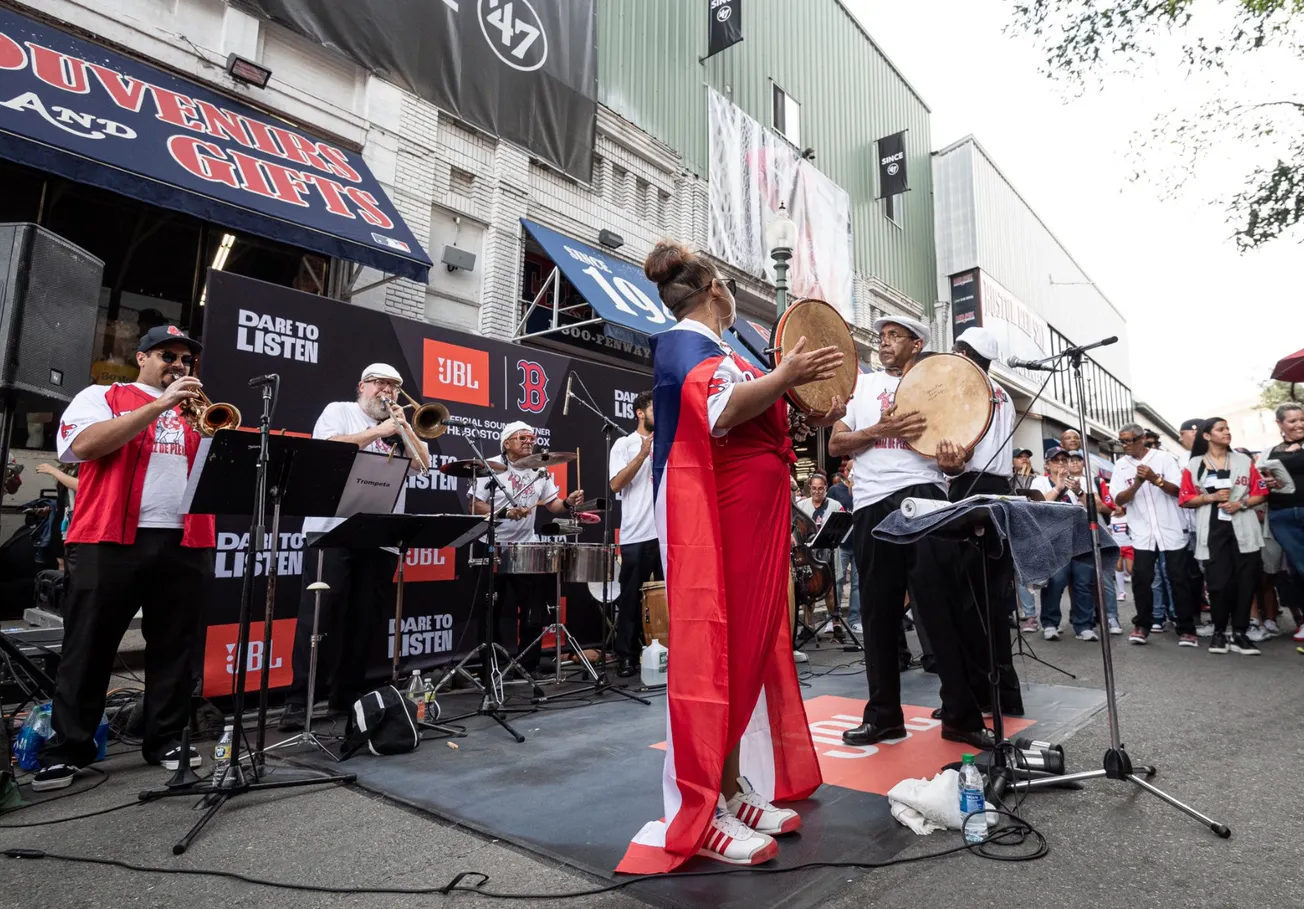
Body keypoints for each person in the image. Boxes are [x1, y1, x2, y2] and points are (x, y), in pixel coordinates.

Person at [617, 241, 833, 872]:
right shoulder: (685, 343)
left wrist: (802, 404)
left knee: (743, 654)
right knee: (716, 659)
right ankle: (699, 806)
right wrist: (785, 377)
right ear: (717, 291)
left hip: (750, 519)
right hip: (718, 521)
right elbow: (717, 416)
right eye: (732, 289)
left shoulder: (721, 351)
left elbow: (749, 415)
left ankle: (732, 790)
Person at [34, 325, 215, 791]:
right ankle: (68, 748)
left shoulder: (200, 409)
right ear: (141, 357)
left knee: (174, 646)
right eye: (166, 355)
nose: (178, 364)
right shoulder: (102, 395)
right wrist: (159, 404)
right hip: (108, 539)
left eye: (185, 359)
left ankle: (167, 738)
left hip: (184, 539)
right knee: (89, 645)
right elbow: (83, 447)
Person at [828, 316, 994, 751]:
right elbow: (834, 445)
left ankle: (961, 715)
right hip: (870, 503)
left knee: (941, 610)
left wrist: (954, 461)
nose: (884, 343)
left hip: (925, 497)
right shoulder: (861, 387)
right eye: (881, 337)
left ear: (916, 343)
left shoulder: (941, 383)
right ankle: (883, 717)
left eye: (894, 336)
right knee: (880, 615)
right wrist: (880, 430)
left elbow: (958, 458)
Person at [280, 364, 432, 731]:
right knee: (318, 617)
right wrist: (378, 431)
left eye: (394, 386)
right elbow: (325, 450)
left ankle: (346, 698)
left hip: (380, 532)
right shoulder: (340, 411)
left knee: (365, 620)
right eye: (380, 383)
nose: (387, 390)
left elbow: (423, 466)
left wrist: (406, 429)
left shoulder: (400, 425)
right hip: (332, 529)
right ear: (362, 386)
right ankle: (299, 701)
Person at [946, 326, 1024, 716]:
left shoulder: (970, 389)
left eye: (957, 350)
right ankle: (1004, 694)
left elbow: (959, 450)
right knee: (993, 600)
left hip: (971, 489)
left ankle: (980, 696)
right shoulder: (1003, 393)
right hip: (1000, 493)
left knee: (968, 601)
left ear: (966, 352)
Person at [471, 422, 585, 675]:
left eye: (531, 437)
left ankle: (528, 663)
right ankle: (492, 666)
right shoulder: (489, 466)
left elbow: (553, 505)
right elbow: (475, 505)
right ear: (506, 443)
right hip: (491, 545)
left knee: (533, 607)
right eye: (522, 437)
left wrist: (567, 502)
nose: (528, 441)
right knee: (490, 609)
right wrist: (504, 512)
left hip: (526, 545)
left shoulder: (539, 469)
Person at [1178, 419, 1268, 655]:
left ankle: (1240, 633)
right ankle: (1219, 632)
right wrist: (1211, 497)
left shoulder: (1244, 461)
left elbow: (1261, 492)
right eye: (1221, 429)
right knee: (1218, 584)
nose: (1227, 432)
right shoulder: (1195, 464)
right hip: (1212, 529)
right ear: (1207, 436)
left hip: (1244, 528)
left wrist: (1241, 503)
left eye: (1228, 428)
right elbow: (1185, 499)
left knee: (1246, 581)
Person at [1110, 423, 1199, 647]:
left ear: (1143, 438)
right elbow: (1119, 500)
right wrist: (1138, 483)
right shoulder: (1120, 466)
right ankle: (1142, 625)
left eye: (1129, 441)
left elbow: (1179, 492)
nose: (1125, 446)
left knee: (1179, 578)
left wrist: (1155, 479)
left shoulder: (1164, 459)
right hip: (1142, 531)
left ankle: (1186, 628)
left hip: (1170, 528)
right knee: (1142, 579)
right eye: (1121, 442)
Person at [608, 390, 661, 678]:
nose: (660, 412)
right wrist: (642, 453)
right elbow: (616, 485)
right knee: (629, 599)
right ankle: (626, 656)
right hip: (636, 535)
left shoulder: (667, 441)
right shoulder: (623, 444)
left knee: (670, 598)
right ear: (640, 412)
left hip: (666, 533)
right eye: (654, 408)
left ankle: (669, 650)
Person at [1032, 448, 1100, 641]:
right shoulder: (1040, 481)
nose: (1061, 463)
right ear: (1047, 464)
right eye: (1056, 460)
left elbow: (1095, 507)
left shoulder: (1082, 480)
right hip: (1055, 540)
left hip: (1079, 538)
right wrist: (1059, 487)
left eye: (1064, 460)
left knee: (1083, 583)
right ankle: (1050, 623)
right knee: (1056, 582)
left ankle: (1084, 625)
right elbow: (1037, 506)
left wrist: (1078, 491)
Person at [1262, 403, 1304, 632]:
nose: (1299, 424)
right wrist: (1266, 482)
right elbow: (1259, 480)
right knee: (1297, 568)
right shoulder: (1270, 451)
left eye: (1302, 419)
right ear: (1280, 424)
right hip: (1282, 515)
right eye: (1292, 421)